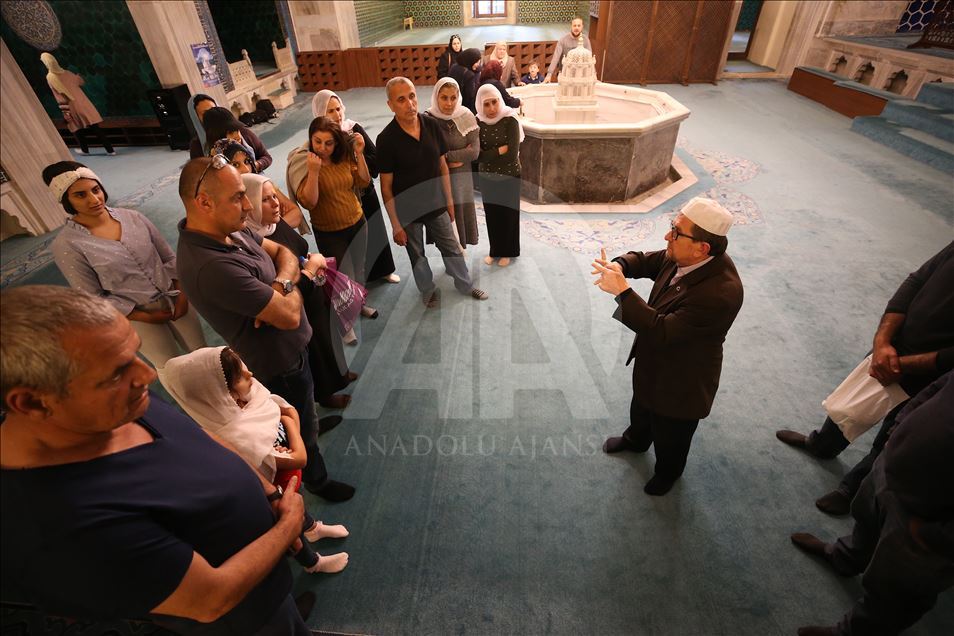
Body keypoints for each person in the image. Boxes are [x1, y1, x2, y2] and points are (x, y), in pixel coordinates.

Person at [1, 285, 310, 633]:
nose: (147, 375)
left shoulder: (104, 407)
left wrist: (266, 490)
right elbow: (210, 599)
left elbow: (199, 437)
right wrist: (287, 526)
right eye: (117, 372)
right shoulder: (61, 524)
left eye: (135, 352)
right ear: (31, 403)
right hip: (240, 618)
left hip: (266, 579)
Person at [175, 156, 354, 502]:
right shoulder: (210, 267)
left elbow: (282, 252)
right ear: (204, 203)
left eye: (245, 194)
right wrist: (293, 284)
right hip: (277, 361)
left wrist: (281, 284)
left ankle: (311, 424)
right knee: (291, 419)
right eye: (237, 197)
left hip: (292, 346)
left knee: (305, 406)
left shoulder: (230, 227)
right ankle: (315, 478)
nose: (247, 207)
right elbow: (287, 315)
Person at [776, 242, 954, 515]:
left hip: (935, 374)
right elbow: (916, 280)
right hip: (895, 342)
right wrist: (883, 341)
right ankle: (822, 444)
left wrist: (902, 363)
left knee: (894, 434)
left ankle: (852, 490)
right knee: (853, 396)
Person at [593, 197, 744, 496]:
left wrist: (622, 292)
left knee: (671, 432)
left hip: (684, 379)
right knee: (642, 404)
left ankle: (668, 472)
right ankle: (636, 440)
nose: (667, 236)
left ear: (703, 247)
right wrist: (620, 264)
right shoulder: (685, 255)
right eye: (671, 227)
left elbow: (662, 331)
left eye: (675, 231)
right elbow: (651, 259)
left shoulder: (721, 294)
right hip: (655, 360)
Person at [159, 346, 351, 575]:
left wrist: (288, 423)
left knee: (298, 508)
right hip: (269, 495)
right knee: (289, 528)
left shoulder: (247, 395)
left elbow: (288, 412)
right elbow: (299, 456)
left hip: (286, 479)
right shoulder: (236, 435)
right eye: (240, 376)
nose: (251, 375)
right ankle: (312, 563)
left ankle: (312, 528)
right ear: (220, 391)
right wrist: (289, 424)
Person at [789, 372, 954, 636]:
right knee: (866, 518)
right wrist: (897, 427)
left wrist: (939, 537)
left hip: (929, 518)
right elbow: (938, 386)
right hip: (894, 463)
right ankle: (844, 557)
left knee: (897, 593)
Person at [43, 161, 206, 368]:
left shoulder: (133, 217)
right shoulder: (67, 245)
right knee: (171, 367)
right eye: (80, 195)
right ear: (67, 201)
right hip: (135, 314)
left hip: (174, 295)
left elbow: (169, 257)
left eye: (95, 190)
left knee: (205, 353)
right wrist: (145, 317)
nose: (94, 199)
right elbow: (93, 298)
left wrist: (182, 294)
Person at [243, 172, 357, 411]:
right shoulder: (254, 243)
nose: (276, 203)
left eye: (275, 196)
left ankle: (340, 375)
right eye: (265, 199)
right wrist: (308, 269)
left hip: (311, 291)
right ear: (249, 203)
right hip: (296, 303)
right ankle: (325, 395)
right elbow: (277, 287)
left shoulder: (275, 225)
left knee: (327, 341)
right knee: (313, 353)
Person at [376, 77, 489, 307]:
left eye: (412, 96)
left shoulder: (431, 126)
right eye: (401, 99)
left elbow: (442, 166)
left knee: (451, 247)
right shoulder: (386, 140)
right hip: (407, 210)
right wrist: (396, 224)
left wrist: (449, 202)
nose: (409, 104)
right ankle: (428, 291)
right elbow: (386, 187)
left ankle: (465, 284)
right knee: (417, 255)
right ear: (390, 105)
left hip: (436, 202)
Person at [286, 116, 378, 329]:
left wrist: (359, 153)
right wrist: (314, 171)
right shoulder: (303, 161)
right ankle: (346, 320)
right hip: (329, 231)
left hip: (356, 220)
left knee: (360, 269)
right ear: (311, 138)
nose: (322, 148)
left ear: (337, 143)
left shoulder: (344, 156)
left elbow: (364, 181)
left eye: (329, 143)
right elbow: (309, 202)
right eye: (317, 141)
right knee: (343, 277)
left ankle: (359, 304)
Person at [311, 90, 399, 284]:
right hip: (342, 199)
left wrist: (356, 159)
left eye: (338, 108)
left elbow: (375, 159)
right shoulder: (319, 140)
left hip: (364, 192)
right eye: (330, 111)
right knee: (352, 242)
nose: (337, 114)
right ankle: (360, 280)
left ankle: (384, 271)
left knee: (375, 231)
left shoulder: (353, 128)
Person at [424, 77, 480, 250]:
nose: (449, 103)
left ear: (458, 97)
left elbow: (474, 152)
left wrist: (444, 156)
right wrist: (449, 159)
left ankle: (460, 255)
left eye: (453, 98)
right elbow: (427, 153)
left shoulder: (466, 116)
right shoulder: (427, 119)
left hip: (462, 180)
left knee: (461, 219)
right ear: (436, 97)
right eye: (444, 98)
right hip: (439, 179)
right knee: (443, 224)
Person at [475, 84, 523, 267]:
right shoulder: (477, 122)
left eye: (494, 102)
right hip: (487, 178)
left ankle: (508, 252)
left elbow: (512, 154)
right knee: (492, 214)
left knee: (508, 215)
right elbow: (477, 156)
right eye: (486, 104)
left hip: (510, 175)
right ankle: (495, 251)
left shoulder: (510, 120)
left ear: (500, 100)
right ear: (481, 105)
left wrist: (489, 156)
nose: (492, 108)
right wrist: (498, 151)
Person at [40, 52, 115, 156]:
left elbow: (59, 96)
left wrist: (65, 112)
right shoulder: (67, 72)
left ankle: (85, 150)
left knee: (76, 127)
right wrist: (77, 77)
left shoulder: (50, 77)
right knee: (95, 126)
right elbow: (80, 82)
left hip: (72, 105)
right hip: (84, 103)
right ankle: (110, 150)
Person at [188, 98, 272, 172]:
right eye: (206, 113)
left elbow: (266, 156)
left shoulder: (242, 132)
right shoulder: (198, 146)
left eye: (214, 108)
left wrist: (255, 165)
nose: (238, 136)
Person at [544, 16, 592, 83]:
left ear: (582, 27)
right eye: (574, 25)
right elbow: (556, 57)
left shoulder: (586, 40)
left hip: (580, 74)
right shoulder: (563, 40)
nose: (576, 28)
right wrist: (549, 74)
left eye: (579, 25)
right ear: (571, 26)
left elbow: (590, 59)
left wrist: (593, 74)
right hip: (565, 73)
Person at [449, 48, 483, 114]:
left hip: (452, 102)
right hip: (464, 108)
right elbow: (470, 96)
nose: (478, 64)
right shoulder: (469, 75)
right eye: (476, 62)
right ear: (470, 60)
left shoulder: (454, 67)